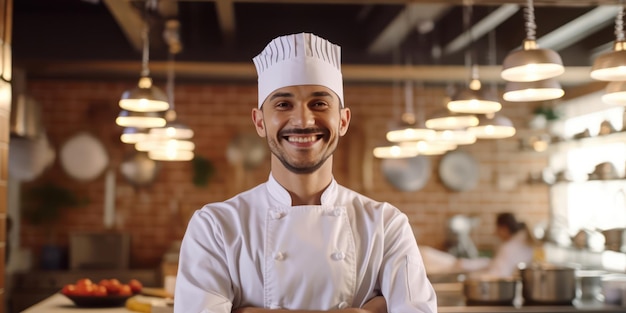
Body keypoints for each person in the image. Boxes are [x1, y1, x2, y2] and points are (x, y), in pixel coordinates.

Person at [174, 32, 437, 313]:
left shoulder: (386, 225)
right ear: (260, 122)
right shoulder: (215, 226)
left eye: (319, 103)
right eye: (283, 104)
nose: (303, 120)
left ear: (344, 120)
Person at [458, 212, 534, 279]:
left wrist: (472, 276)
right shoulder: (524, 243)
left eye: (497, 229)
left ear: (504, 228)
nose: (496, 232)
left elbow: (497, 275)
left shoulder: (509, 248)